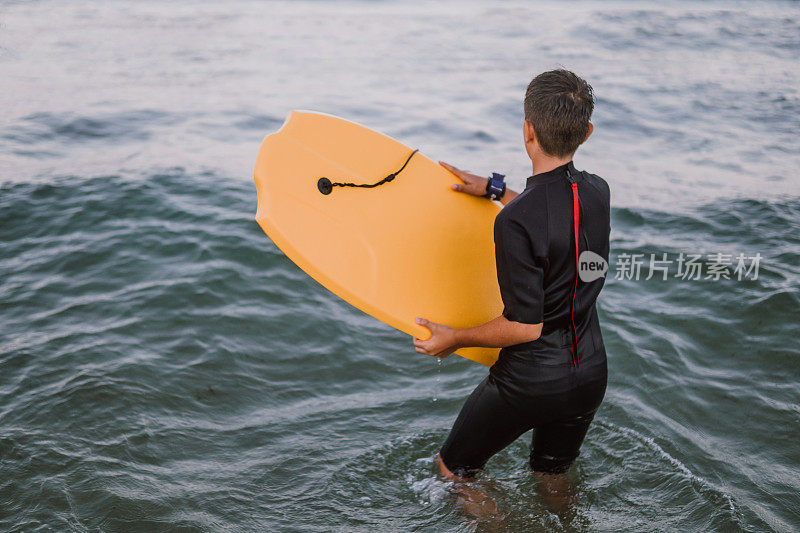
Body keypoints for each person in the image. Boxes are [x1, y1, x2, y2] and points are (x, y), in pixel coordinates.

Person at [413, 69, 610, 513]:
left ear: (527, 130)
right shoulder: (599, 192)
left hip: (531, 380)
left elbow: (524, 328)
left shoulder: (515, 222)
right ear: (587, 133)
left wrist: (454, 337)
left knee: (454, 472)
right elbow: (556, 215)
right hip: (590, 374)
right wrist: (496, 189)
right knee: (551, 474)